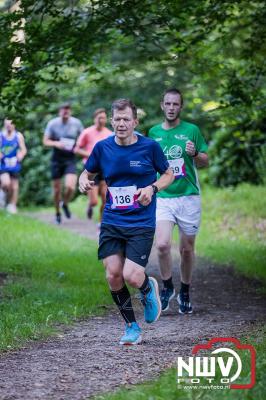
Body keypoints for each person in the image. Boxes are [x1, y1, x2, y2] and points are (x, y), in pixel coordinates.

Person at [79, 99, 174, 345]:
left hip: (141, 222)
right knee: (113, 275)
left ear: (135, 122)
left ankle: (145, 288)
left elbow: (169, 174)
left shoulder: (149, 147)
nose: (122, 124)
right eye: (117, 119)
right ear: (112, 121)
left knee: (132, 275)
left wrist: (152, 188)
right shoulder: (102, 148)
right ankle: (132, 327)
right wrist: (82, 180)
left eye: (126, 119)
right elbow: (87, 172)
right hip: (112, 220)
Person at [148, 88, 208, 314]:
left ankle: (185, 290)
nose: (171, 108)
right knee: (162, 244)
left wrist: (194, 154)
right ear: (162, 106)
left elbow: (205, 162)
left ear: (180, 107)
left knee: (186, 250)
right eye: (168, 104)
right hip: (163, 196)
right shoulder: (153, 132)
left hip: (188, 197)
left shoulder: (191, 130)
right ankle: (167, 287)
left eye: (175, 104)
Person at [43, 103, 84, 224]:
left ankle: (65, 203)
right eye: (63, 110)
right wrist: (56, 144)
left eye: (67, 110)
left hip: (70, 158)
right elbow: (45, 141)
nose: (65, 113)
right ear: (59, 112)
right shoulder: (53, 123)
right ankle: (57, 213)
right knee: (56, 190)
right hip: (56, 158)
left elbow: (83, 138)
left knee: (71, 186)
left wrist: (79, 147)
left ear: (70, 112)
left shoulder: (76, 123)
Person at [74, 108, 112, 221]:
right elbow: (76, 149)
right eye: (99, 118)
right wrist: (91, 154)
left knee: (105, 198)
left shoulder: (110, 134)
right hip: (91, 168)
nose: (101, 120)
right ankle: (90, 206)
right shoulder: (87, 132)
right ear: (94, 119)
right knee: (94, 201)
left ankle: (101, 222)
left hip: (105, 168)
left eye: (104, 118)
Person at [0, 118, 27, 214]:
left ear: (14, 125)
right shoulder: (1, 136)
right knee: (6, 183)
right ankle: (2, 195)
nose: (9, 127)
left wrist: (20, 155)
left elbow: (23, 149)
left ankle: (12, 205)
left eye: (10, 125)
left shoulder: (18, 136)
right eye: (7, 125)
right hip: (3, 164)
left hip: (14, 163)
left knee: (14, 186)